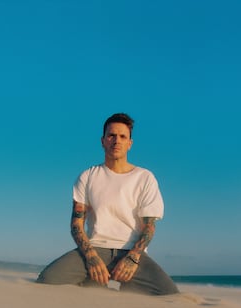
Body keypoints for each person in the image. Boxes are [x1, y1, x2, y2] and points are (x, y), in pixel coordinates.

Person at [37, 113, 179, 296]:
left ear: (130, 143)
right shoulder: (88, 176)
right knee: (46, 281)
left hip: (131, 251)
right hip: (95, 248)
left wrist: (133, 258)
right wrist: (91, 257)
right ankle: (93, 284)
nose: (116, 141)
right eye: (111, 135)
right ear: (103, 141)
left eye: (122, 137)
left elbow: (149, 226)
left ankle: (129, 286)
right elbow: (76, 224)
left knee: (171, 295)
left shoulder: (145, 178)